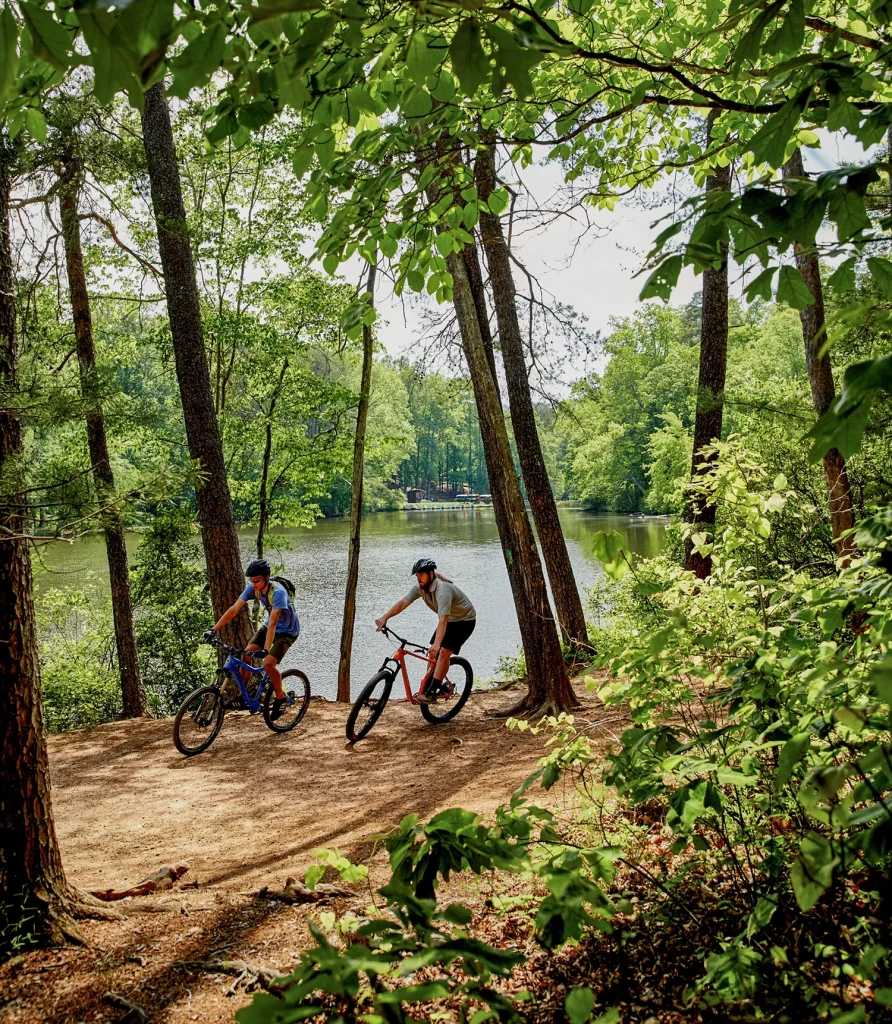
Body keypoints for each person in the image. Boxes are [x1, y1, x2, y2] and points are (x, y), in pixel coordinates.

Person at [206, 558, 300, 720]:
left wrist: (265, 649)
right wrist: (214, 630)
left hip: (286, 631)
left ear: (267, 577)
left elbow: (273, 624)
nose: (254, 584)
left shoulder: (278, 593)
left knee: (268, 663)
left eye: (257, 580)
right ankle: (244, 697)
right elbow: (234, 609)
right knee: (247, 653)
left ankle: (280, 697)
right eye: (251, 581)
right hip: (269, 626)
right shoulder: (253, 588)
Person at [375, 557, 476, 704]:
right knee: (432, 654)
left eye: (421, 575)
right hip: (449, 620)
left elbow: (443, 621)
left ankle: (432, 693)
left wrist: (437, 644)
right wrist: (385, 617)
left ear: (431, 574)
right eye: (417, 576)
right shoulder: (420, 589)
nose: (418, 579)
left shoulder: (443, 590)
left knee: (443, 652)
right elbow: (403, 602)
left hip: (464, 621)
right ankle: (430, 684)